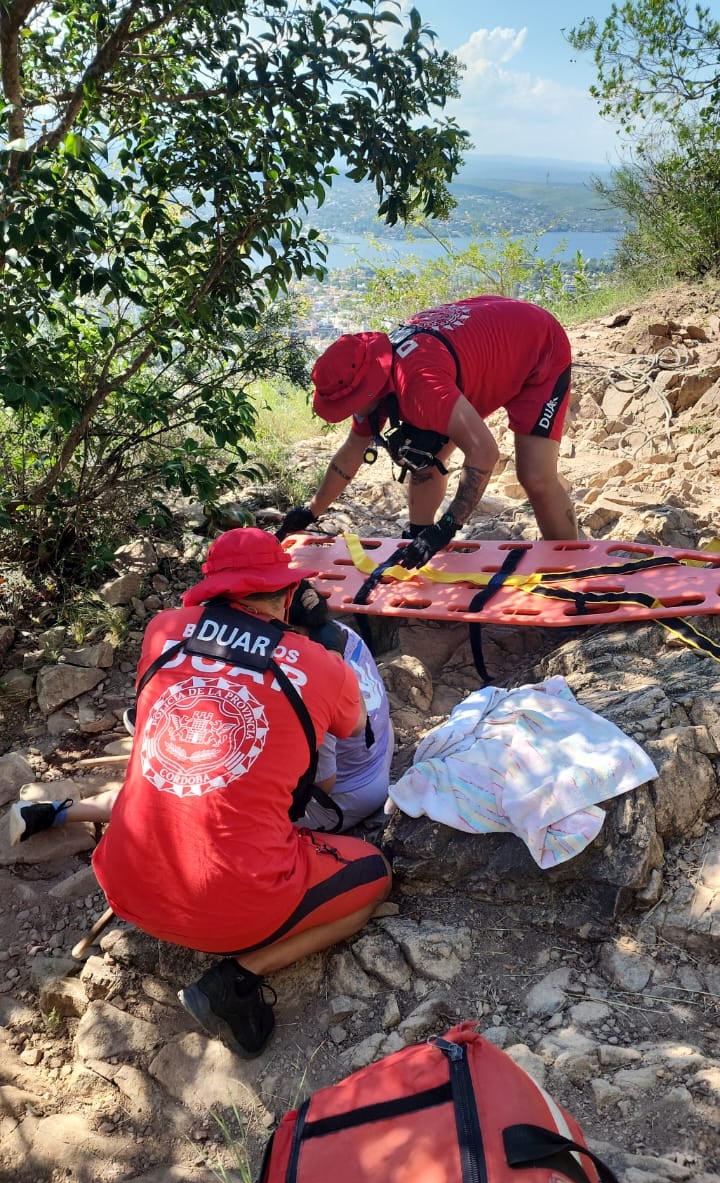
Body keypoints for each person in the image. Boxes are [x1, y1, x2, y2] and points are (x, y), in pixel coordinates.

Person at [12, 529, 391, 1058]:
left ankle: (60, 812)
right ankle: (238, 978)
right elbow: (354, 733)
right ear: (287, 593)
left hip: (125, 886)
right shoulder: (323, 666)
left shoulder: (162, 630)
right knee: (375, 874)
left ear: (210, 590)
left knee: (178, 782)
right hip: (232, 910)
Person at [11, 587, 395, 841]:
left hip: (342, 797)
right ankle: (58, 813)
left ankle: (61, 813)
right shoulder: (341, 639)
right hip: (373, 762)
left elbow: (321, 783)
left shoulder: (314, 682)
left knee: (194, 798)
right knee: (201, 777)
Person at [275, 295, 577, 567]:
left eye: (349, 403)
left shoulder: (422, 387)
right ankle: (418, 537)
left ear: (367, 388)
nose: (349, 410)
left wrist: (448, 526)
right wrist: (311, 511)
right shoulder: (376, 373)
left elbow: (484, 452)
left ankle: (571, 563)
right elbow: (352, 450)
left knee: (535, 476)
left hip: (538, 346)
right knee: (420, 452)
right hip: (485, 347)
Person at [288, 580, 394, 832]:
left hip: (352, 792)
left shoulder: (307, 677)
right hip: (382, 748)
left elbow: (323, 784)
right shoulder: (339, 632)